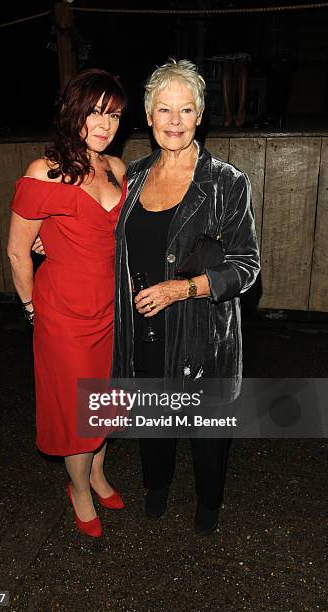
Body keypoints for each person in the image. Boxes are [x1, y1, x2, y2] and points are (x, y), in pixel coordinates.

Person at [112, 59, 260, 535]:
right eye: (163, 110)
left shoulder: (226, 181)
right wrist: (47, 239)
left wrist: (184, 289)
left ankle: (209, 501)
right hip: (143, 326)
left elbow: (246, 266)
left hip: (202, 332)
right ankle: (156, 486)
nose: (174, 121)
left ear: (201, 116)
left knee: (206, 430)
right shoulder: (130, 178)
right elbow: (102, 238)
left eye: (186, 110)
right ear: (148, 115)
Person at [7, 69, 127, 538]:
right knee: (78, 413)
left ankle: (97, 475)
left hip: (112, 311)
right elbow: (19, 250)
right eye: (95, 112)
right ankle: (78, 489)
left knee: (103, 402)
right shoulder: (44, 171)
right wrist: (31, 309)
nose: (104, 123)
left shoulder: (117, 167)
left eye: (113, 115)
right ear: (73, 112)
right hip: (63, 315)